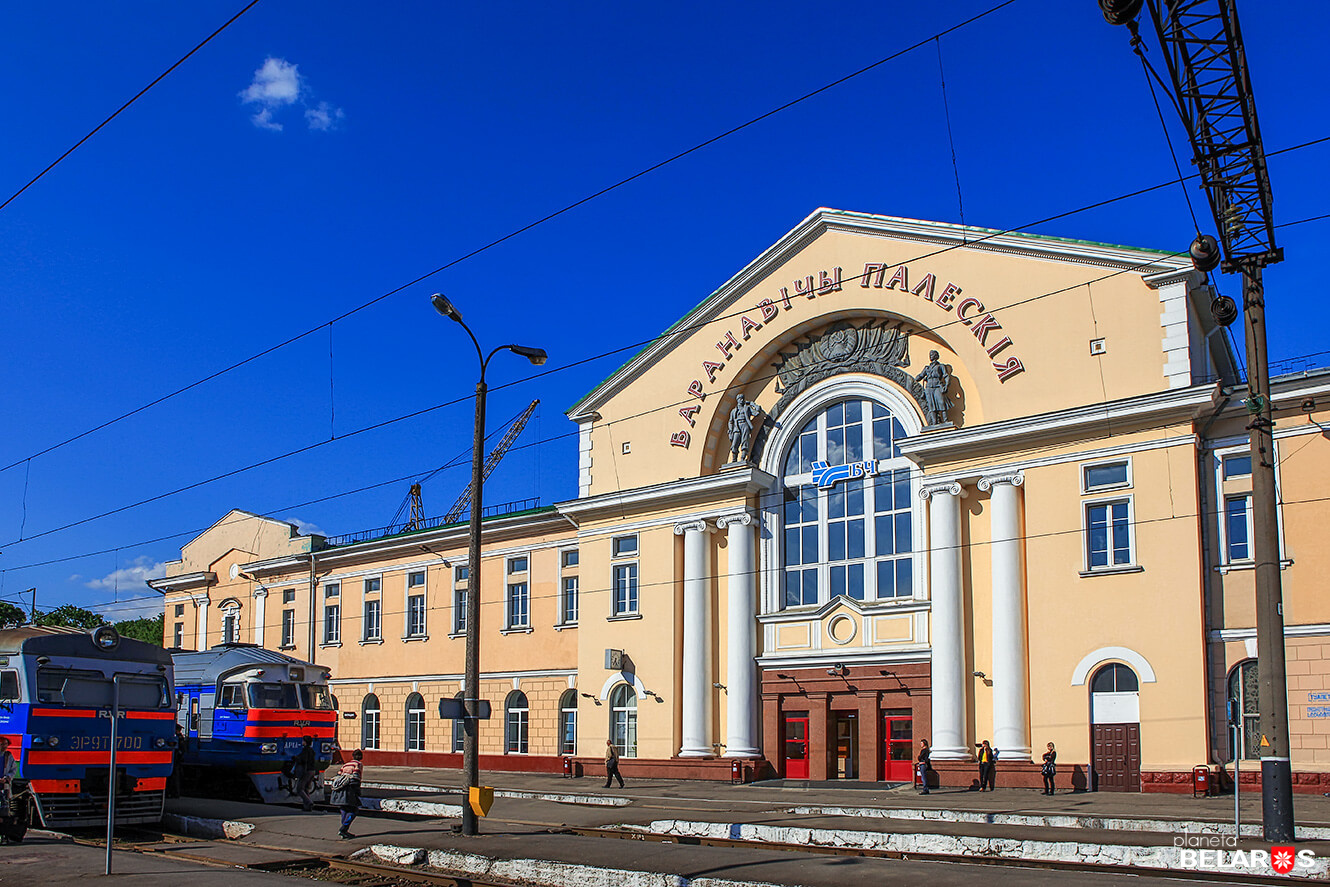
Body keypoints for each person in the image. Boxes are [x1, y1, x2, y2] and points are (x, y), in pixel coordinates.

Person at [330, 749, 363, 839]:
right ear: (361, 757)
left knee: (344, 808)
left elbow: (339, 774)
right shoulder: (358, 765)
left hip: (340, 788)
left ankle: (344, 829)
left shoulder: (346, 764)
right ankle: (344, 828)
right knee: (354, 809)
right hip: (349, 789)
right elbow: (355, 777)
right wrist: (357, 791)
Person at [913, 350, 952, 426]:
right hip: (929, 388)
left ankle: (945, 420)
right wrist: (914, 380)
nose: (931, 355)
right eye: (930, 354)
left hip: (937, 386)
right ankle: (934, 423)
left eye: (933, 354)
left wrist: (946, 385)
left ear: (936, 356)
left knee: (941, 403)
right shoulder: (927, 368)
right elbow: (921, 375)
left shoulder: (940, 366)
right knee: (931, 405)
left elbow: (946, 376)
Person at [727, 394, 762, 463]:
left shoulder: (747, 408)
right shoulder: (734, 411)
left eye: (742, 398)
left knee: (745, 441)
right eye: (740, 399)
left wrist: (752, 404)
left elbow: (757, 412)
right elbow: (730, 421)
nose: (741, 400)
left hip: (745, 425)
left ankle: (743, 457)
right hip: (737, 427)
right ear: (737, 400)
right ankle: (734, 459)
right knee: (735, 443)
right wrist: (730, 430)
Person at [291, 736, 319, 811]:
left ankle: (309, 802)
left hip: (306, 771)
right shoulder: (312, 751)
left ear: (305, 742)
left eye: (303, 741)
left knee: (300, 789)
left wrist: (295, 758)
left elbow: (303, 760)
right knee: (306, 789)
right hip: (312, 771)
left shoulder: (305, 750)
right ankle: (307, 807)